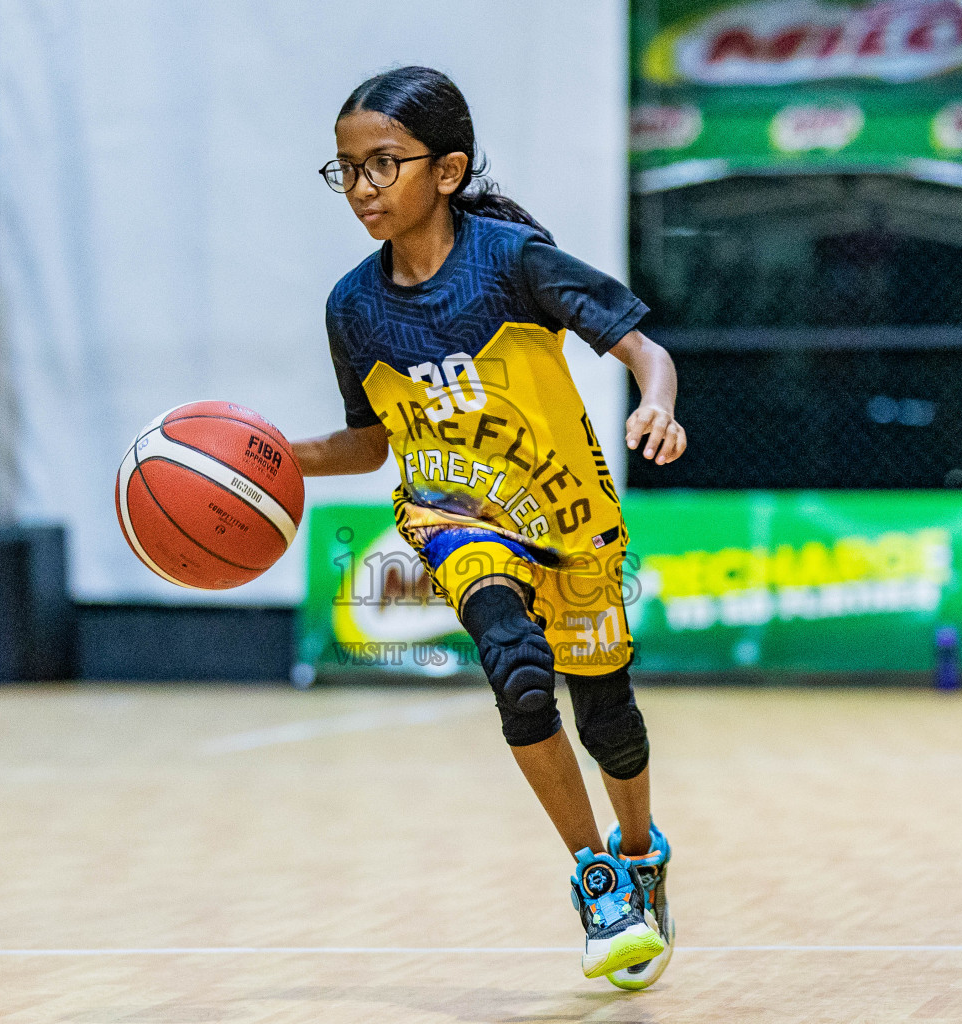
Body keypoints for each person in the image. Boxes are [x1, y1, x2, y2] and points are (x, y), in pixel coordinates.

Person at [291, 68, 683, 988]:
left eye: (384, 165)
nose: (363, 188)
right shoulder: (353, 306)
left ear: (449, 169)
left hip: (567, 513)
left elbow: (643, 349)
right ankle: (598, 881)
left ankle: (638, 850)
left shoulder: (512, 261)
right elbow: (371, 443)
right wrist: (269, 455)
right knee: (515, 666)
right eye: (346, 169)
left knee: (611, 722)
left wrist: (657, 404)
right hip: (453, 511)